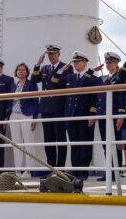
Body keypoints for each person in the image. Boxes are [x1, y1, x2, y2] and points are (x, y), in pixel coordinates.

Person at [53, 51, 96, 180]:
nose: (76, 64)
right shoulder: (70, 77)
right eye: (74, 62)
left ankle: (83, 172)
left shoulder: (92, 78)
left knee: (85, 144)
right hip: (71, 114)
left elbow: (94, 97)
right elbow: (55, 82)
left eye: (78, 61)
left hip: (84, 115)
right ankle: (75, 169)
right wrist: (61, 70)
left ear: (85, 63)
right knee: (74, 144)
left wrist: (92, 114)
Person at [30, 44, 73, 168]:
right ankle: (51, 167)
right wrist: (38, 64)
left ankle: (60, 168)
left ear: (58, 54)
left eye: (53, 53)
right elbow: (34, 79)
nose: (51, 56)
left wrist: (59, 72)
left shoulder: (67, 67)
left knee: (60, 139)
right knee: (48, 140)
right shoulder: (44, 68)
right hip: (46, 108)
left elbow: (59, 83)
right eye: (49, 54)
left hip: (59, 107)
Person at [91, 52, 126, 181]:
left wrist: (121, 115)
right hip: (102, 116)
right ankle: (108, 172)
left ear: (117, 63)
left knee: (114, 144)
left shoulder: (120, 78)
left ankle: (116, 171)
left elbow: (122, 98)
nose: (108, 65)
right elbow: (89, 82)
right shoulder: (101, 79)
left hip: (114, 115)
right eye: (107, 63)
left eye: (111, 62)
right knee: (106, 145)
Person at [8, 62, 39, 179]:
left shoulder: (31, 85)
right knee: (16, 144)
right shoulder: (13, 85)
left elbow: (36, 102)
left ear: (27, 72)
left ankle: (28, 171)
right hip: (14, 115)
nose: (21, 71)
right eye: (19, 70)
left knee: (28, 143)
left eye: (23, 70)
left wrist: (34, 119)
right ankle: (17, 171)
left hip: (26, 115)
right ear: (16, 72)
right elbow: (9, 101)